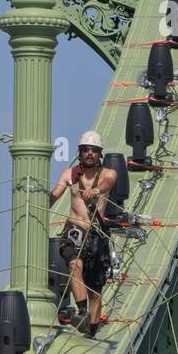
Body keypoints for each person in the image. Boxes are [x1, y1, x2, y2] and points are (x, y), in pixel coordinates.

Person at [48, 131, 116, 338]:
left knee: (95, 290)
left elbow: (108, 183)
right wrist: (39, 197)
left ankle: (91, 331)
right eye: (86, 150)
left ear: (99, 154)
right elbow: (55, 195)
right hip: (75, 229)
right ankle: (82, 312)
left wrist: (96, 191)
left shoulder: (107, 173)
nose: (90, 154)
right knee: (74, 264)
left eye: (94, 151)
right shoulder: (69, 174)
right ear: (80, 152)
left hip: (97, 234)